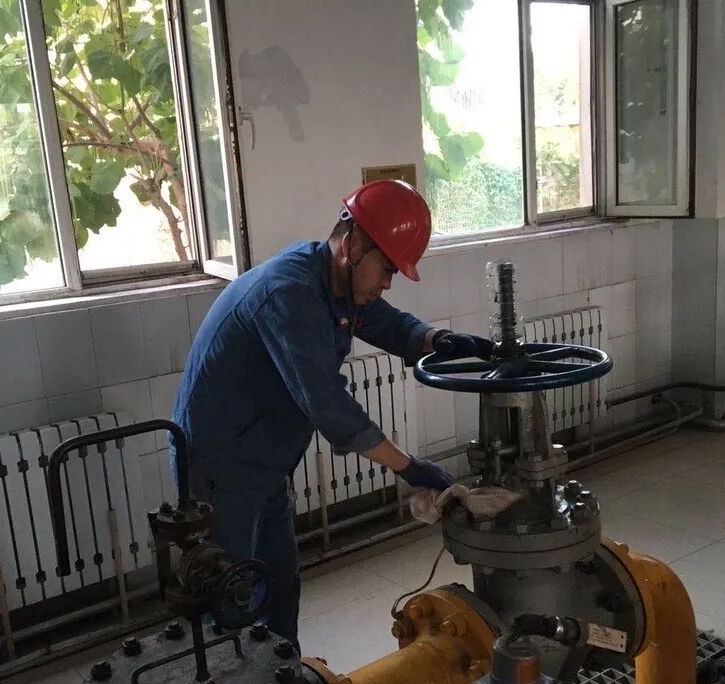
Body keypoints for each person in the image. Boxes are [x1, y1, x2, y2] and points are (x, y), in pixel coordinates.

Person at [171, 179, 492, 647]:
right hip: (219, 466)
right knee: (231, 599)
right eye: (386, 269)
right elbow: (327, 404)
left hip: (265, 464)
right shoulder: (290, 293)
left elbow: (389, 323)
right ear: (353, 243)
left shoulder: (336, 285)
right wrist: (409, 468)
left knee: (279, 589)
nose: (387, 283)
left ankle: (284, 681)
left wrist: (437, 340)